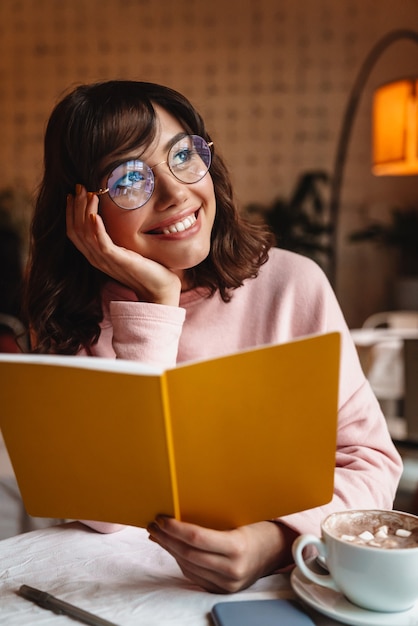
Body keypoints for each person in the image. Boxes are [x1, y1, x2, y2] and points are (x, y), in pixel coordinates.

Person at [24, 80, 402, 594]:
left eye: (183, 156)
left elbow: (371, 462)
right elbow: (107, 514)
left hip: (290, 580)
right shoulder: (72, 323)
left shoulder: (293, 286)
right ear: (83, 214)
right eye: (130, 178)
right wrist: (156, 303)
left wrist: (271, 541)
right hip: (125, 591)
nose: (176, 191)